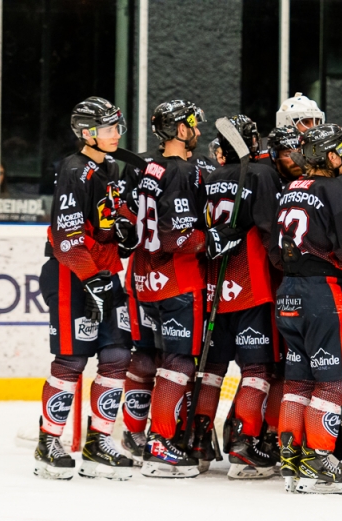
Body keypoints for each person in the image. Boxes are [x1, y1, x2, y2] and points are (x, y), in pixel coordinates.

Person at [34, 96, 135, 481]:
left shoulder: (109, 167)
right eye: (108, 128)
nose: (116, 134)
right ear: (86, 133)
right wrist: (91, 279)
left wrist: (126, 232)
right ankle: (48, 441)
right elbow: (66, 236)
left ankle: (98, 441)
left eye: (116, 127)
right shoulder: (75, 170)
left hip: (105, 273)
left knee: (116, 356)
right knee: (72, 360)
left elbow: (112, 221)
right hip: (71, 275)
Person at [274, 123, 342, 494]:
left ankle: (292, 458)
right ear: (329, 156)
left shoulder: (289, 189)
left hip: (288, 292)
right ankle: (318, 460)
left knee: (298, 380)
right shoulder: (340, 189)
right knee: (332, 381)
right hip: (323, 294)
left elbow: (275, 247)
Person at [202, 114, 285, 479]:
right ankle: (245, 445)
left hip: (215, 291)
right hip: (251, 286)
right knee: (256, 370)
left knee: (212, 370)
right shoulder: (262, 175)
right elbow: (270, 230)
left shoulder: (208, 177)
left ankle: (198, 441)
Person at [131, 99, 209, 478]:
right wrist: (210, 239)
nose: (197, 130)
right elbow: (176, 236)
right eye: (193, 124)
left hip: (146, 280)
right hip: (176, 279)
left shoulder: (149, 166)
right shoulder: (180, 170)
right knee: (178, 362)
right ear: (180, 130)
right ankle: (160, 443)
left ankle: (137, 433)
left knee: (154, 358)